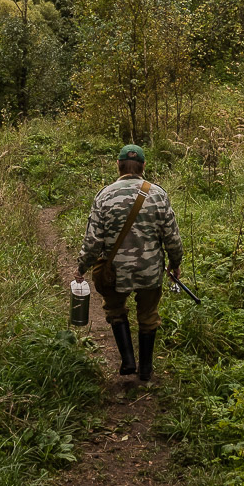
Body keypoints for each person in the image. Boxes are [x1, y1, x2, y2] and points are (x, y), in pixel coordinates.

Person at [76, 143, 183, 382]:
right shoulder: (157, 194)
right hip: (150, 269)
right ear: (143, 166)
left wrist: (82, 266)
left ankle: (127, 361)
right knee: (148, 315)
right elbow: (172, 236)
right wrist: (175, 262)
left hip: (115, 271)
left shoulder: (104, 196)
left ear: (118, 165)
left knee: (115, 310)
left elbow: (93, 240)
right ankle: (145, 369)